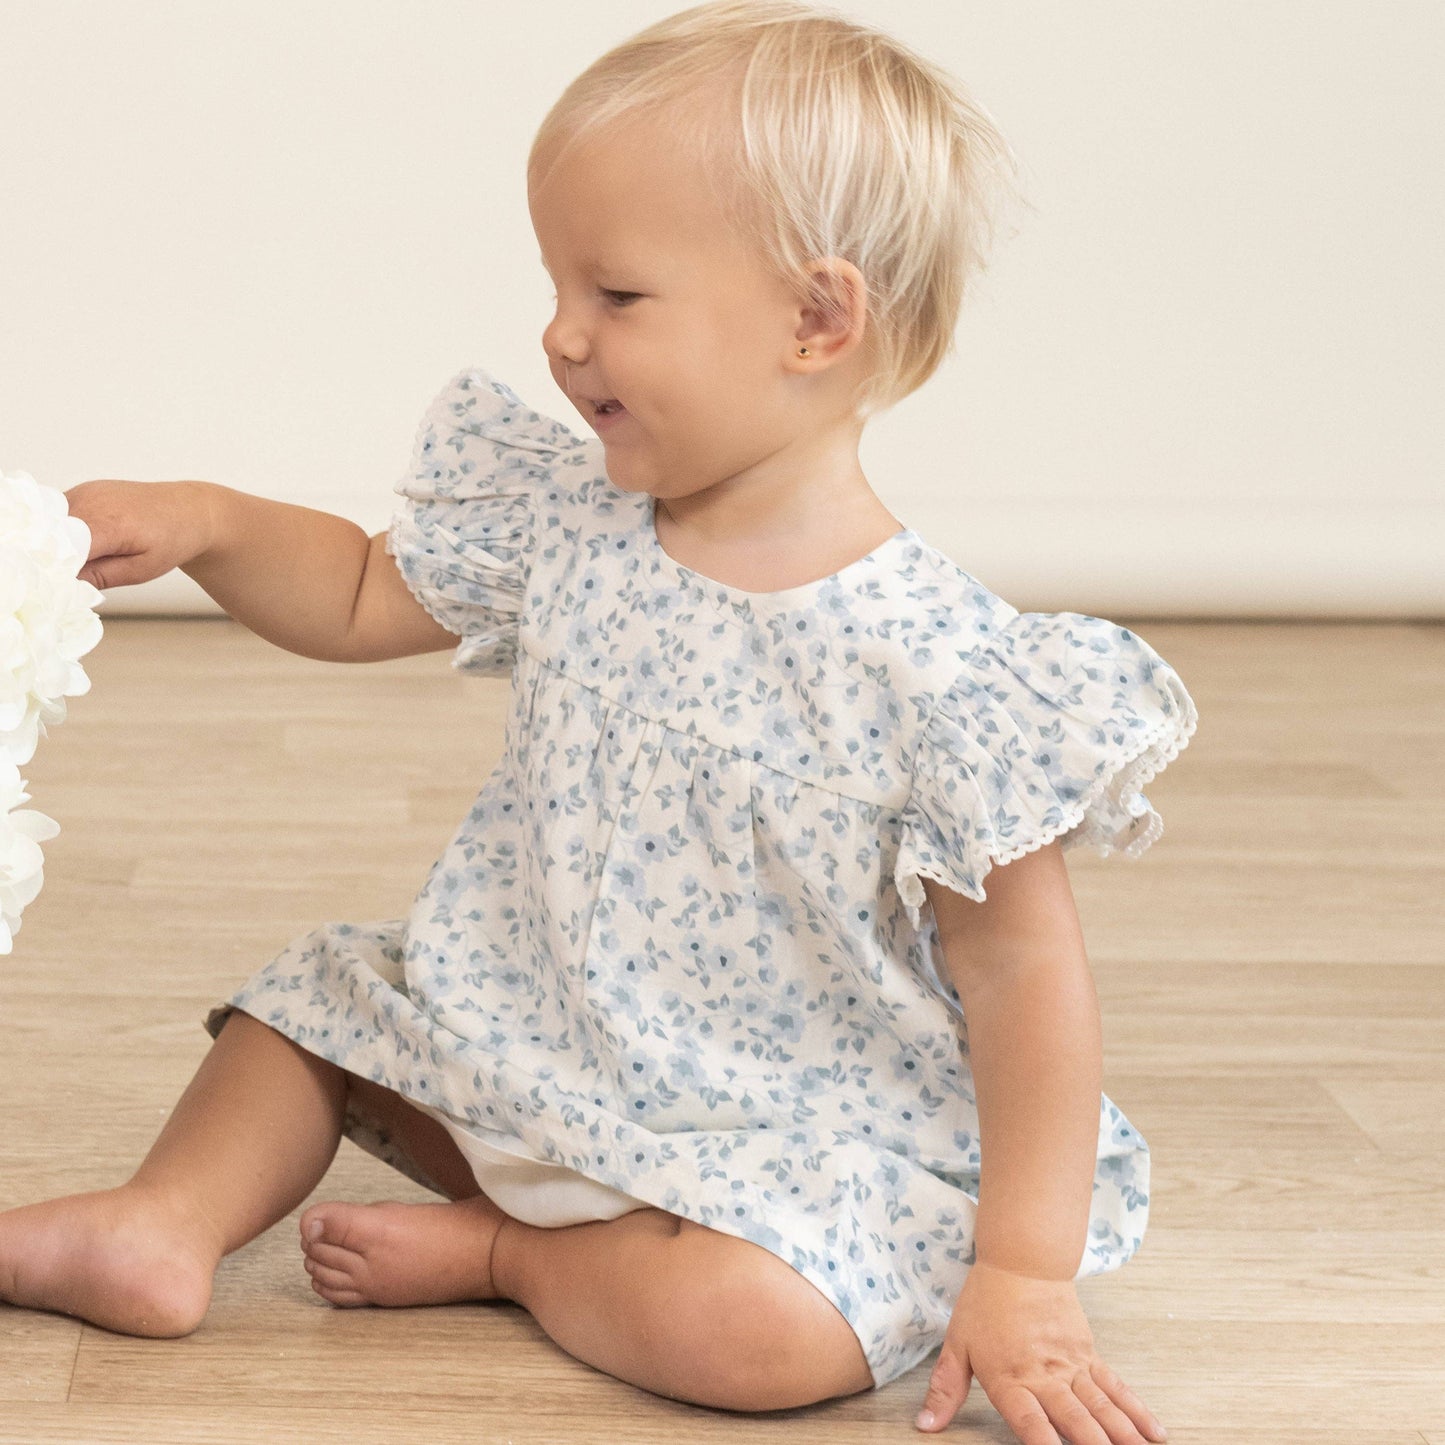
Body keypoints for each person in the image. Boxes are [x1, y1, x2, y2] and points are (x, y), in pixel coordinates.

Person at [1, 2, 1193, 1439]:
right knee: (302, 1014)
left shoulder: (938, 669)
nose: (560, 336)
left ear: (816, 320)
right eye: (558, 285)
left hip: (784, 1137)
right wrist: (210, 520)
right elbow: (366, 591)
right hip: (533, 1048)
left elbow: (1027, 988)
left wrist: (1020, 1269)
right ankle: (158, 1221)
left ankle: (521, 1258)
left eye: (615, 295)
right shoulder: (574, 520)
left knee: (764, 1335)